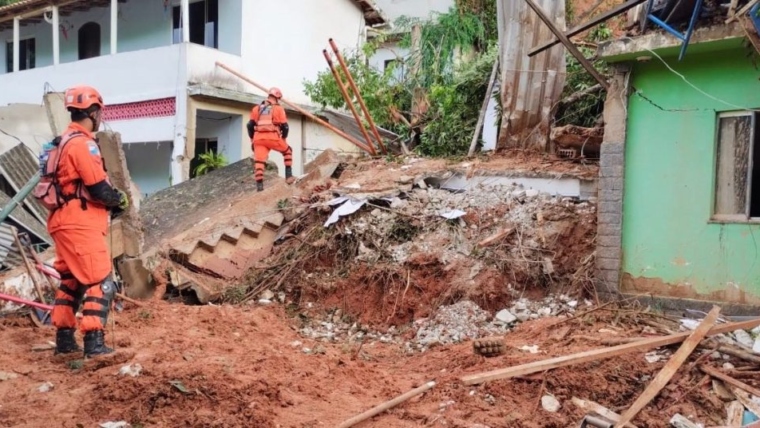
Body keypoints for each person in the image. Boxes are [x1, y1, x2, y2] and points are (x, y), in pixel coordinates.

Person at [49, 85, 129, 358]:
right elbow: (98, 188)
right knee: (101, 280)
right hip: (80, 222)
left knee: (71, 281)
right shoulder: (83, 144)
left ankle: (64, 342)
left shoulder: (59, 143)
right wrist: (119, 200)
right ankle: (94, 344)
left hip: (61, 220)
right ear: (93, 112)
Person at [247, 87, 295, 191]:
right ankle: (288, 176)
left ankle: (260, 187)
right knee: (288, 151)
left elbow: (249, 125)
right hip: (273, 137)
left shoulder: (257, 108)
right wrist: (284, 139)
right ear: (277, 97)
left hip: (258, 139)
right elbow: (285, 127)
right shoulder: (278, 108)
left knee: (259, 162)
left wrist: (252, 139)